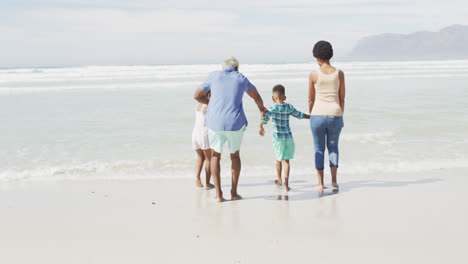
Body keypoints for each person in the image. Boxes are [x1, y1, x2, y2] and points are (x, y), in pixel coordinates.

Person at [194, 56, 267, 202]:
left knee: (215, 155)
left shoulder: (213, 76)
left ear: (223, 67)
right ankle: (233, 193)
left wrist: (209, 103)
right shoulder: (241, 78)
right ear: (237, 68)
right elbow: (256, 95)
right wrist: (261, 109)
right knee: (235, 156)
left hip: (215, 123)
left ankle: (219, 195)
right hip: (235, 124)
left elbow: (196, 96)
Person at [308, 40, 346, 191]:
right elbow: (342, 97)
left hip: (317, 114)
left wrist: (311, 114)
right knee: (333, 147)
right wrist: (341, 115)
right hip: (335, 114)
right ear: (330, 55)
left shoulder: (313, 74)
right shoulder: (339, 73)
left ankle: (320, 183)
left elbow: (311, 98)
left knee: (318, 148)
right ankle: (334, 181)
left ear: (317, 57)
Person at [259, 84, 310, 191]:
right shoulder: (289, 107)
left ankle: (279, 180)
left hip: (278, 138)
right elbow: (299, 115)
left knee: (278, 159)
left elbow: (265, 118)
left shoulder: (272, 108)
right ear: (285, 97)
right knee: (286, 161)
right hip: (288, 138)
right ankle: (286, 184)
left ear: (273, 98)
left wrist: (261, 126)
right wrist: (310, 117)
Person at [192, 91, 215, 190]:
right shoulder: (209, 106)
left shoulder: (198, 105)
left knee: (200, 157)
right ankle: (207, 183)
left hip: (195, 133)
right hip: (204, 133)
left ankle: (197, 178)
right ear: (209, 95)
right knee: (209, 158)